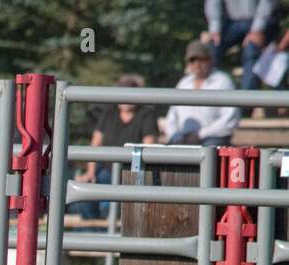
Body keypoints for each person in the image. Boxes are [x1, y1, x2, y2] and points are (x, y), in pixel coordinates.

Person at [68, 76, 158, 221]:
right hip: (106, 171)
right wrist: (90, 172)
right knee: (84, 199)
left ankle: (109, 238)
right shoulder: (109, 113)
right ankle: (92, 238)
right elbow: (95, 143)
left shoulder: (146, 115)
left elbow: (149, 148)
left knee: (121, 203)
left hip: (133, 173)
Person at [163, 41, 242, 146]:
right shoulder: (183, 83)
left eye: (201, 59)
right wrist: (177, 137)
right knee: (164, 154)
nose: (197, 64)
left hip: (212, 138)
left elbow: (230, 119)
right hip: (183, 139)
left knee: (210, 150)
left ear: (210, 60)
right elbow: (171, 118)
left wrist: (200, 135)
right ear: (188, 63)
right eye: (192, 60)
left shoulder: (223, 81)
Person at [202, 0, 280, 90]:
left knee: (251, 47)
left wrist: (257, 29)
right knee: (213, 45)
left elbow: (267, 3)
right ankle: (209, 89)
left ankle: (247, 98)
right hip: (233, 22)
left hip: (265, 20)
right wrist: (214, 29)